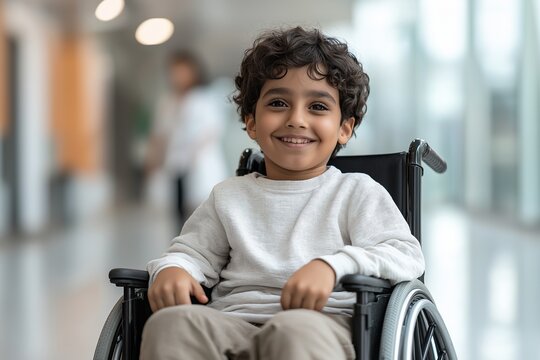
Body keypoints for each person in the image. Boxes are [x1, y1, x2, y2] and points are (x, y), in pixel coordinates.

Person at [140, 27, 425, 360]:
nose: (296, 119)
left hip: (322, 328)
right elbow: (192, 253)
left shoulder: (356, 191)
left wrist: (334, 266)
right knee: (171, 324)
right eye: (278, 103)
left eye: (318, 107)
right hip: (232, 324)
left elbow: (405, 254)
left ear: (344, 127)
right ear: (251, 122)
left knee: (292, 332)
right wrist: (174, 268)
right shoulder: (229, 197)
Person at [145, 51, 227, 227]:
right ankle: (182, 249)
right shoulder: (167, 102)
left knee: (202, 212)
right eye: (175, 72)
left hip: (199, 163)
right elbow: (160, 134)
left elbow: (212, 131)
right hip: (175, 164)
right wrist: (153, 158)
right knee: (178, 213)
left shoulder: (204, 99)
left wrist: (192, 152)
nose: (178, 76)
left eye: (183, 71)